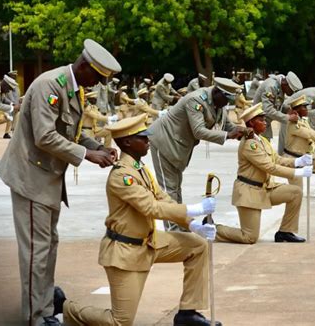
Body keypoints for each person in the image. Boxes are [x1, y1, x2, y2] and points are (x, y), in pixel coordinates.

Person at [0, 39, 122, 326]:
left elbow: (71, 132)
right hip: (31, 178)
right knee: (35, 251)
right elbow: (45, 136)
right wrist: (87, 154)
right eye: (97, 78)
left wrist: (97, 146)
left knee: (48, 245)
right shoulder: (49, 86)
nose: (97, 85)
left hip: (47, 179)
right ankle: (35, 318)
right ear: (85, 66)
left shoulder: (72, 88)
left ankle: (43, 305)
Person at [60, 114, 221, 326]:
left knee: (197, 246)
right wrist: (196, 208)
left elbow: (162, 198)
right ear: (127, 142)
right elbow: (150, 207)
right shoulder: (121, 175)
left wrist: (191, 224)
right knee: (120, 322)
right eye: (143, 138)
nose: (148, 141)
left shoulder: (139, 168)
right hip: (126, 251)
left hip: (149, 242)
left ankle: (188, 313)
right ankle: (65, 309)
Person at [213, 104, 311, 244]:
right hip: (250, 192)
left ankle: (285, 231)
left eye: (265, 119)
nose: (265, 123)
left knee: (295, 192)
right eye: (261, 120)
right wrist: (297, 172)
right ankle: (212, 228)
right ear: (251, 122)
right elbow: (270, 167)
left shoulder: (261, 139)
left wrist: (297, 161)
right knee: (249, 237)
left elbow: (276, 159)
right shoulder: (249, 144)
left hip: (265, 188)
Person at [149, 77, 245, 206]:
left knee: (176, 187)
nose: (227, 104)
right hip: (164, 141)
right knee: (169, 189)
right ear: (218, 92)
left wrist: (242, 131)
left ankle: (179, 221)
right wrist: (228, 135)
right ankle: (172, 226)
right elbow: (198, 131)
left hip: (179, 144)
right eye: (227, 100)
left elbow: (228, 126)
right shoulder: (196, 100)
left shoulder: (218, 102)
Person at [252, 71, 303, 139]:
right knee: (262, 147)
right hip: (258, 123)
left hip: (264, 121)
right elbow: (268, 110)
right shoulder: (271, 87)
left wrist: (287, 109)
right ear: (285, 84)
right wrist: (288, 117)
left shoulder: (279, 87)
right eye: (291, 91)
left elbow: (277, 104)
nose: (292, 94)